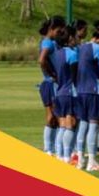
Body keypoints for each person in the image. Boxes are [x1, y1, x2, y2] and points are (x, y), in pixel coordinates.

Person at [75, 22, 99, 171]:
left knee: (82, 125)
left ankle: (80, 160)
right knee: (94, 125)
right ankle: (92, 161)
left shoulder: (81, 47)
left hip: (80, 90)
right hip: (94, 90)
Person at [38, 16, 65, 156]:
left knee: (54, 116)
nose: (60, 33)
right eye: (59, 31)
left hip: (50, 82)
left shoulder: (49, 42)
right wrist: (52, 74)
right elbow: (42, 60)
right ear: (52, 29)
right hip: (50, 83)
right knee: (54, 116)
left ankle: (51, 148)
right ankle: (49, 148)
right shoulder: (48, 43)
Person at [51, 26, 79, 163]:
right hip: (69, 92)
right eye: (74, 37)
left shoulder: (56, 54)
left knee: (62, 125)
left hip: (59, 91)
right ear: (70, 38)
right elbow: (75, 76)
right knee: (70, 124)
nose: (76, 39)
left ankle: (59, 155)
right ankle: (67, 157)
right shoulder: (72, 54)